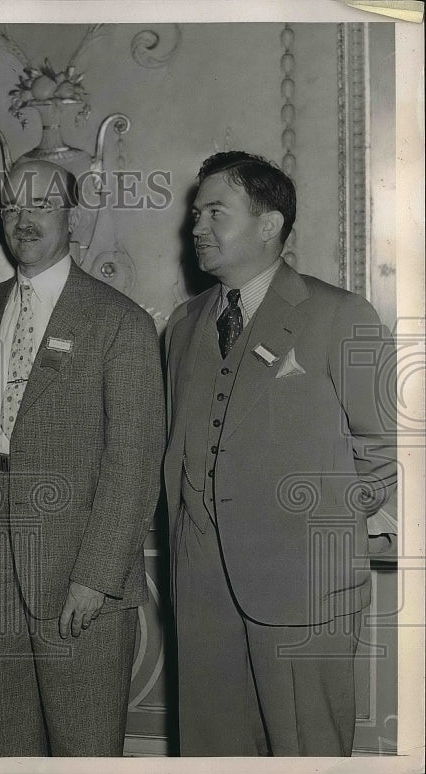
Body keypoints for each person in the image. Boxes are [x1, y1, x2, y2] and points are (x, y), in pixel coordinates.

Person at [164, 151, 397, 756]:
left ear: (270, 225)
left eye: (217, 211)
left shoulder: (341, 315)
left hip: (304, 598)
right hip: (203, 597)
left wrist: (323, 543)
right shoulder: (184, 325)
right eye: (196, 212)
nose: (197, 226)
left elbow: (384, 450)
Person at [0, 159, 164, 756]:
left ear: (74, 218)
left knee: (82, 743)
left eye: (39, 204)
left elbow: (134, 462)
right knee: (3, 742)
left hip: (76, 568)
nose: (22, 218)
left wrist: (96, 576)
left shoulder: (120, 323)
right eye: (11, 206)